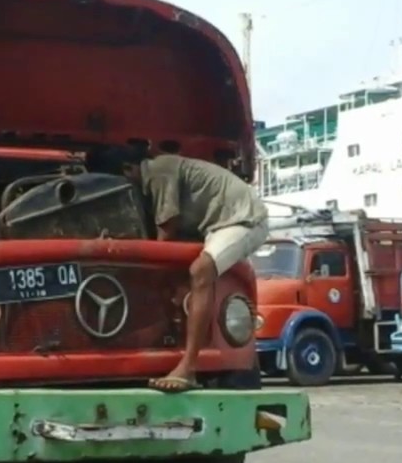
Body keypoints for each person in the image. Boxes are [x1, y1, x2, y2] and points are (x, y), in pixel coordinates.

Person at [90, 146, 270, 392]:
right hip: (215, 226)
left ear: (128, 169)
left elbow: (166, 232)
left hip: (243, 219)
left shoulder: (159, 171)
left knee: (200, 271)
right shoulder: (152, 180)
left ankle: (188, 368)